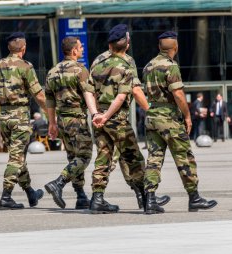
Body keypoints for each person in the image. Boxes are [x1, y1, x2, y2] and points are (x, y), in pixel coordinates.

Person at [89, 32, 170, 210]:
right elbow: (128, 93)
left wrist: (96, 114)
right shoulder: (127, 64)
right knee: (134, 157)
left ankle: (97, 198)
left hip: (99, 118)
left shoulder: (97, 62)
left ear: (110, 45)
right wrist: (151, 110)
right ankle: (149, 198)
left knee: (103, 156)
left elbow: (89, 91)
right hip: (116, 118)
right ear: (126, 45)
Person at [142, 31, 217, 214]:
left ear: (160, 47)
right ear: (175, 48)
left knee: (154, 158)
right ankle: (194, 197)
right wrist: (187, 116)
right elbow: (178, 94)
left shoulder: (148, 66)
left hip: (152, 117)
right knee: (184, 156)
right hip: (169, 118)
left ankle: (150, 199)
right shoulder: (171, 66)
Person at [0, 32, 47, 210]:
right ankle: (6, 196)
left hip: (3, 117)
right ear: (24, 48)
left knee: (18, 157)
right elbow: (39, 95)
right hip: (19, 116)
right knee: (16, 158)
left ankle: (30, 193)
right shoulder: (25, 66)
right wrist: (52, 116)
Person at [44, 36, 98, 210]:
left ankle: (81, 196)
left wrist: (51, 123)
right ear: (74, 50)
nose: (82, 49)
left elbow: (49, 100)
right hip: (77, 119)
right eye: (80, 47)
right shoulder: (80, 70)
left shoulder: (52, 72)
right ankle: (58, 183)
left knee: (73, 158)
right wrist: (95, 113)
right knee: (84, 156)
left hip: (62, 120)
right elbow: (88, 94)